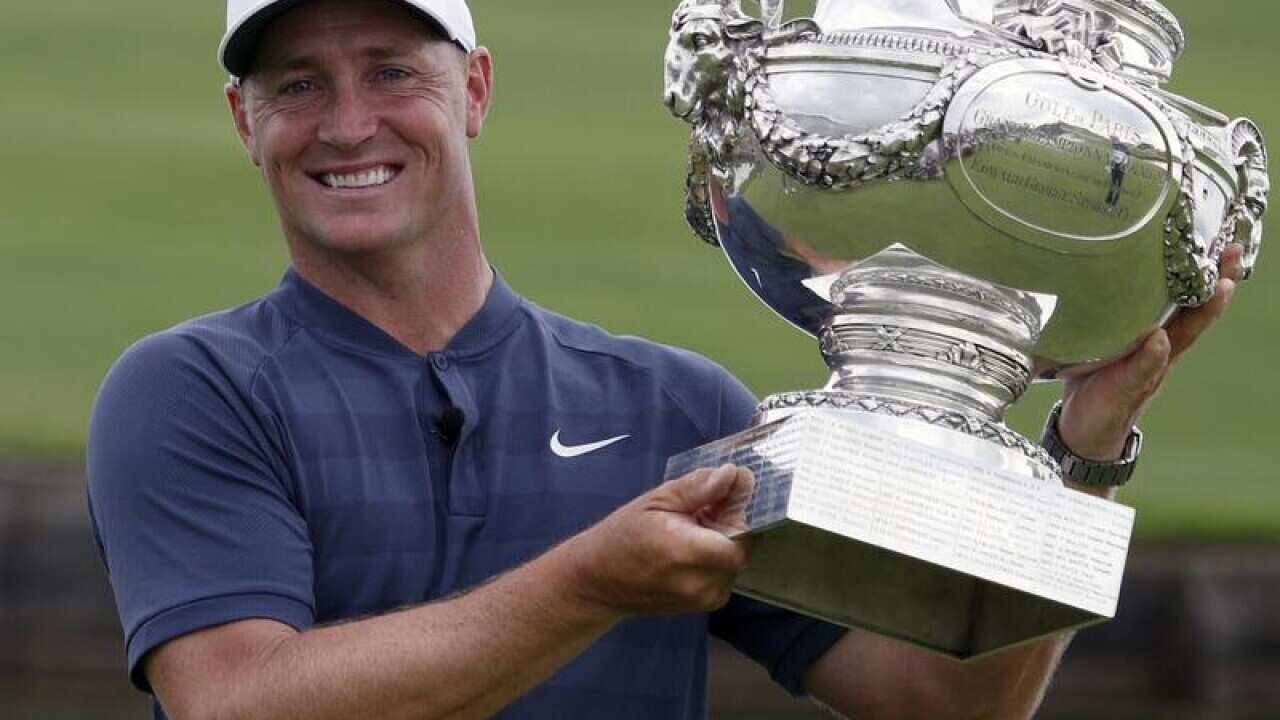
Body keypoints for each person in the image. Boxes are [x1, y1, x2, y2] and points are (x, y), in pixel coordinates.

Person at [86, 1, 1245, 718]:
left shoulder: (669, 405)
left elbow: (940, 703)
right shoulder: (189, 389)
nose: (346, 123)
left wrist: (1080, 448)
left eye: (393, 71)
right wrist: (586, 582)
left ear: (472, 91)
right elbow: (238, 705)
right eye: (297, 85)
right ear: (246, 123)